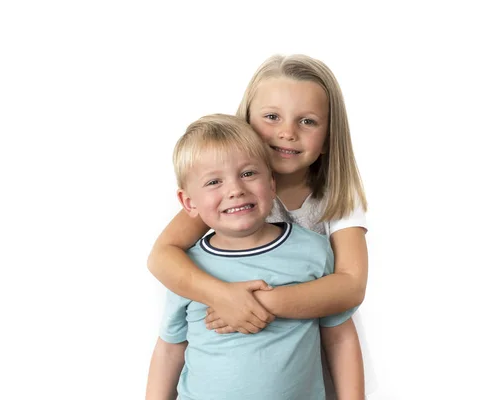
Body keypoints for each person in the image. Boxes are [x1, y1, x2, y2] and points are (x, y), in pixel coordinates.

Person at [148, 54, 377, 397]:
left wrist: (254, 304)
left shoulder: (335, 197)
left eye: (308, 121)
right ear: (247, 122)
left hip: (305, 360)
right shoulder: (228, 196)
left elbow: (349, 288)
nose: (287, 132)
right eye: (272, 117)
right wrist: (222, 296)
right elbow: (162, 257)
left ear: (329, 136)